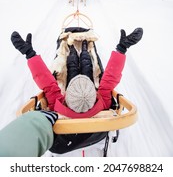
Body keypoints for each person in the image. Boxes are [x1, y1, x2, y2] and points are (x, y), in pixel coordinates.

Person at [10, 27, 143, 119]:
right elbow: (110, 78)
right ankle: (84, 47)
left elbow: (46, 81)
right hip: (87, 85)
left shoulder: (58, 105)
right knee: (86, 62)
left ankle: (72, 48)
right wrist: (122, 49)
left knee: (72, 63)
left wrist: (29, 54)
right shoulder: (102, 103)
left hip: (75, 86)